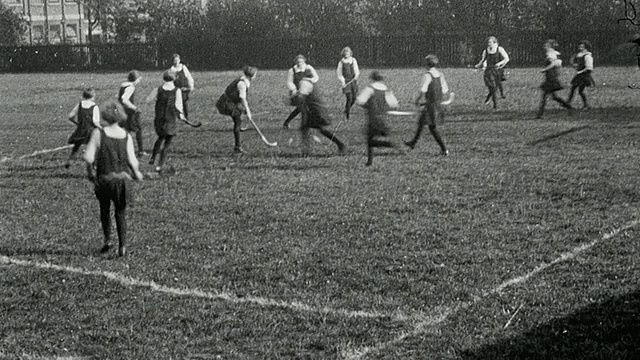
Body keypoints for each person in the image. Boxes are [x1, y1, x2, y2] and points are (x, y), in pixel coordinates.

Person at [83, 99, 143, 257]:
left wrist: (91, 174)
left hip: (103, 180)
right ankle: (122, 246)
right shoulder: (126, 136)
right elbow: (132, 160)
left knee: (104, 209)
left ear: (104, 116)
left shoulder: (99, 133)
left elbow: (89, 158)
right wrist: (136, 174)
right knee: (120, 212)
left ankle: (107, 239)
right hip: (121, 182)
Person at [405, 55, 450, 156]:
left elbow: (423, 90)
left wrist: (417, 100)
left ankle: (444, 149)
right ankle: (413, 143)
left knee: (432, 128)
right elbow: (445, 90)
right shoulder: (440, 74)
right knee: (421, 122)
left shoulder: (428, 75)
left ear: (426, 64)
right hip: (437, 103)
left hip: (431, 106)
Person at [355, 71, 403, 166]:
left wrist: (367, 106)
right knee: (378, 136)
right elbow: (394, 104)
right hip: (383, 118)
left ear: (372, 78)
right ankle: (391, 145)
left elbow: (360, 101)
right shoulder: (386, 90)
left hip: (373, 118)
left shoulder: (370, 89)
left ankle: (387, 147)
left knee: (370, 140)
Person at [145, 71, 186, 172]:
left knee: (160, 138)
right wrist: (181, 116)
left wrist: (156, 100)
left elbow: (148, 100)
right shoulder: (177, 91)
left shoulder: (157, 89)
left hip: (159, 118)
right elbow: (179, 106)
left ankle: (153, 157)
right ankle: (160, 164)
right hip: (170, 118)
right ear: (174, 79)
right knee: (168, 142)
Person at [293, 78, 346, 156]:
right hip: (314, 110)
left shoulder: (304, 83)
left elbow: (301, 101)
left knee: (309, 129)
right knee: (315, 129)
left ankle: (306, 151)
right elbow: (300, 105)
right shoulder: (305, 83)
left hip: (316, 110)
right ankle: (340, 145)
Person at [215, 66, 258, 154]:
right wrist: (248, 111)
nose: (255, 76)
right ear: (251, 76)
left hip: (231, 102)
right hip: (226, 104)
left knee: (238, 119)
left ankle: (238, 144)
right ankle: (237, 147)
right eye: (255, 75)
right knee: (237, 122)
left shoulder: (242, 80)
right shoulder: (242, 84)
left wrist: (245, 110)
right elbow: (243, 99)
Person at [536, 39, 573, 119]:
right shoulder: (555, 54)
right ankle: (568, 106)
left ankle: (540, 114)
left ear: (549, 46)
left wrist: (545, 69)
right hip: (552, 76)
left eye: (546, 45)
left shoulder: (550, 54)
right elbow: (559, 64)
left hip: (551, 77)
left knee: (545, 95)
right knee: (553, 96)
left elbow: (553, 64)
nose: (544, 47)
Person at [65, 88, 101, 169]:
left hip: (80, 130)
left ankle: (70, 161)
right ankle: (94, 164)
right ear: (93, 96)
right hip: (90, 130)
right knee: (95, 147)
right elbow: (95, 122)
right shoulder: (94, 107)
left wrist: (77, 124)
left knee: (76, 146)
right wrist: (101, 128)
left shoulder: (80, 105)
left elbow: (70, 116)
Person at [283, 54, 319, 129]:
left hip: (307, 92)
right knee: (303, 109)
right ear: (296, 62)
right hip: (297, 93)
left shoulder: (308, 68)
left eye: (301, 62)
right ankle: (304, 126)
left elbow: (316, 77)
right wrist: (293, 89)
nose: (299, 63)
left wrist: (310, 80)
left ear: (304, 61)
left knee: (301, 109)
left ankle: (287, 122)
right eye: (298, 62)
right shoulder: (292, 70)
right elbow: (289, 82)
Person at [474, 36, 509, 109]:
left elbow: (506, 59)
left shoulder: (499, 49)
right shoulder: (486, 51)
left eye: (490, 42)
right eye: (487, 42)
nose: (488, 44)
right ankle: (495, 106)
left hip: (497, 71)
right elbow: (483, 60)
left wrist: (499, 64)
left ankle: (488, 97)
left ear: (494, 42)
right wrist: (478, 66)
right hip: (489, 71)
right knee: (493, 87)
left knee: (495, 87)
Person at [118, 70, 146, 156]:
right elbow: (124, 99)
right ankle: (140, 151)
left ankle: (121, 150)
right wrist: (135, 108)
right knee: (138, 129)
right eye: (138, 79)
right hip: (129, 112)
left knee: (125, 131)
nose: (139, 81)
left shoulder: (123, 85)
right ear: (135, 79)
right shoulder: (130, 87)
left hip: (122, 111)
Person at [567, 40, 595, 110]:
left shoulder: (587, 56)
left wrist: (581, 71)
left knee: (580, 91)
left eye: (582, 46)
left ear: (586, 47)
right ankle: (568, 103)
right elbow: (578, 64)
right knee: (573, 88)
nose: (580, 47)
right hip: (579, 74)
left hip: (584, 75)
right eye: (580, 46)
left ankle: (586, 105)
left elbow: (589, 68)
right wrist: (574, 65)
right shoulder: (579, 55)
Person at [169, 53, 195, 120]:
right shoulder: (172, 69)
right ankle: (177, 115)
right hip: (177, 88)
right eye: (175, 60)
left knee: (184, 101)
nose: (176, 62)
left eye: (177, 60)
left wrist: (191, 85)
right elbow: (171, 80)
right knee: (176, 102)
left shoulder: (183, 67)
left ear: (179, 60)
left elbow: (189, 76)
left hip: (184, 88)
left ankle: (186, 116)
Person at [337, 46, 360, 120]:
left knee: (354, 98)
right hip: (346, 82)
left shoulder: (353, 60)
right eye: (345, 53)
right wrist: (343, 82)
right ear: (343, 54)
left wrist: (356, 76)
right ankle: (347, 115)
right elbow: (339, 73)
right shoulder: (341, 62)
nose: (346, 54)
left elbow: (356, 70)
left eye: (348, 52)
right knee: (349, 98)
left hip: (353, 81)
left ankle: (347, 109)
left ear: (350, 53)